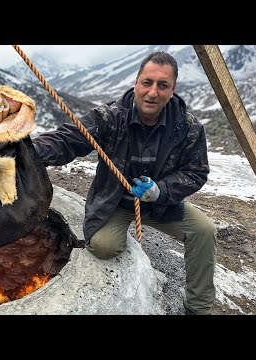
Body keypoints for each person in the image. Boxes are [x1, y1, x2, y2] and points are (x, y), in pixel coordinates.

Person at [32, 51, 217, 315]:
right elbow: (67, 140)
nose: (152, 92)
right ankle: (121, 230)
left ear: (173, 89)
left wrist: (159, 191)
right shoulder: (110, 117)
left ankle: (198, 308)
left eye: (162, 85)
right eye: (147, 82)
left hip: (161, 205)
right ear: (136, 83)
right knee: (103, 247)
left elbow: (196, 172)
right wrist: (26, 151)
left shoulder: (187, 127)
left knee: (204, 230)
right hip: (114, 202)